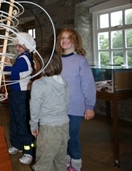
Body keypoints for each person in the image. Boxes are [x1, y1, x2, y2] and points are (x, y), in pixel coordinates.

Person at [56, 28, 96, 171]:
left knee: (72, 136)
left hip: (75, 107)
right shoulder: (58, 60)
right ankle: (66, 161)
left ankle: (76, 164)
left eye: (68, 37)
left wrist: (89, 106)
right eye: (62, 37)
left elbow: (88, 84)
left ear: (75, 41)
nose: (64, 40)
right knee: (62, 137)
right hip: (59, 107)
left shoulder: (80, 60)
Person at [30, 49, 69, 171]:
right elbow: (67, 103)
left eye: (35, 62)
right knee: (60, 161)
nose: (34, 65)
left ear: (43, 65)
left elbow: (34, 108)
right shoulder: (63, 82)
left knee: (43, 163)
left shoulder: (39, 84)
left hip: (48, 129)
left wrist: (33, 126)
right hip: (64, 127)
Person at [4, 32, 36, 165]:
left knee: (22, 121)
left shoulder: (25, 58)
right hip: (16, 93)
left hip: (21, 95)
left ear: (27, 46)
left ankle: (28, 151)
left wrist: (3, 64)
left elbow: (13, 71)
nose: (18, 48)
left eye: (20, 46)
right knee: (15, 120)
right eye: (17, 45)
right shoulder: (21, 57)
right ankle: (17, 144)